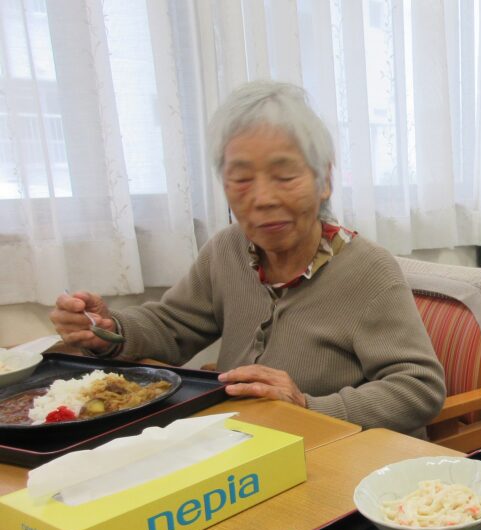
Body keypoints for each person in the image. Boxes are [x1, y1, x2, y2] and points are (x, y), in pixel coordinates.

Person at [50, 80, 446, 436]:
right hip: (244, 444)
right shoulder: (227, 250)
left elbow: (418, 387)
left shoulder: (368, 271)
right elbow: (172, 326)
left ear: (324, 180)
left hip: (341, 459)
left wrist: (309, 407)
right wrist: (107, 327)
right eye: (241, 179)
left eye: (285, 176)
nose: (262, 198)